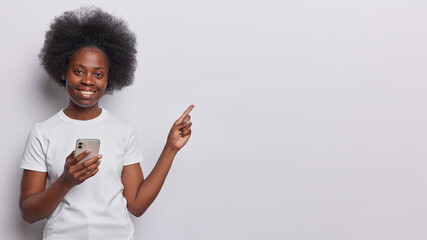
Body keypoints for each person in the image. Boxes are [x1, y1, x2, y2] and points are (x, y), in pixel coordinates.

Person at [19, 6, 193, 240]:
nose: (88, 81)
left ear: (110, 78)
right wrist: (65, 182)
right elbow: (28, 213)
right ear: (63, 72)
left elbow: (137, 206)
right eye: (78, 71)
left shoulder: (123, 131)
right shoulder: (43, 132)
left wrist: (170, 149)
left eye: (98, 74)